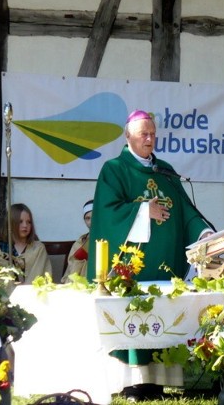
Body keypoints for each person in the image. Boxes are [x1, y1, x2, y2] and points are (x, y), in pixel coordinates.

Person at [87, 109, 214, 400]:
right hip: (133, 268)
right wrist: (144, 210)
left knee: (163, 314)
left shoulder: (165, 170)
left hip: (166, 266)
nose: (150, 139)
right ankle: (132, 380)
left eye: (153, 134)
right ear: (127, 135)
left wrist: (205, 234)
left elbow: (187, 213)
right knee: (137, 314)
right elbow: (107, 215)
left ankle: (161, 379)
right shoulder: (114, 169)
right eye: (144, 133)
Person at [0, 203, 52, 284]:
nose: (25, 225)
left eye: (29, 222)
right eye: (20, 222)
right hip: (7, 295)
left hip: (32, 293)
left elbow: (39, 274)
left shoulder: (38, 248)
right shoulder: (0, 247)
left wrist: (25, 293)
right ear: (11, 223)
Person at [61, 199, 93, 283]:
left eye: (94, 217)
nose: (91, 222)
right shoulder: (79, 243)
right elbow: (70, 273)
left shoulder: (109, 241)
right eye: (87, 218)